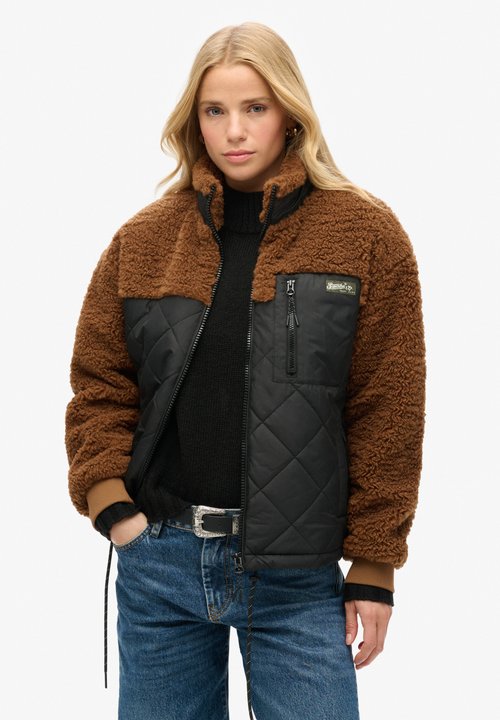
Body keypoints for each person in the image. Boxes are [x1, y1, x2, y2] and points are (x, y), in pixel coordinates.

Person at [65, 21, 426, 720]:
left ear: (290, 112)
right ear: (193, 120)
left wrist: (374, 564)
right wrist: (112, 507)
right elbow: (100, 384)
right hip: (160, 560)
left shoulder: (365, 235)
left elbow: (389, 406)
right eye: (215, 110)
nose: (234, 130)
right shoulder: (144, 240)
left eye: (254, 107)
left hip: (298, 578)